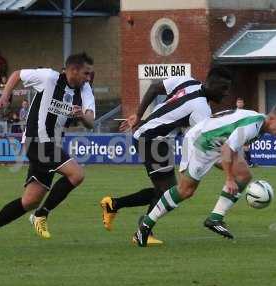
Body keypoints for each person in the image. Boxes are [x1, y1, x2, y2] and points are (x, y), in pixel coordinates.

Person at [0, 52, 95, 249]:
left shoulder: (85, 89)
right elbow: (17, 74)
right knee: (77, 174)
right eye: (86, 74)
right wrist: (4, 97)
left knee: (29, 200)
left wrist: (81, 116)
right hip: (35, 141)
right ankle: (41, 215)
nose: (89, 78)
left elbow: (90, 121)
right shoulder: (48, 77)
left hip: (52, 145)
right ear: (73, 70)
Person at [100, 67, 233, 245]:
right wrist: (229, 169)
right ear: (211, 83)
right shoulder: (202, 111)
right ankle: (123, 213)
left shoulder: (188, 81)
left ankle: (127, 215)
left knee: (167, 191)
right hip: (152, 140)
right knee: (170, 192)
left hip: (152, 138)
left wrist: (139, 116)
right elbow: (205, 147)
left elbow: (155, 87)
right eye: (224, 89)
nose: (226, 94)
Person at [134, 103, 276, 246]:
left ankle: (215, 218)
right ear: (272, 118)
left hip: (215, 142)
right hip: (201, 141)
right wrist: (229, 179)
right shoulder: (252, 126)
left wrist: (234, 171)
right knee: (185, 190)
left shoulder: (259, 123)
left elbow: (230, 143)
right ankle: (145, 227)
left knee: (244, 175)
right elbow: (227, 149)